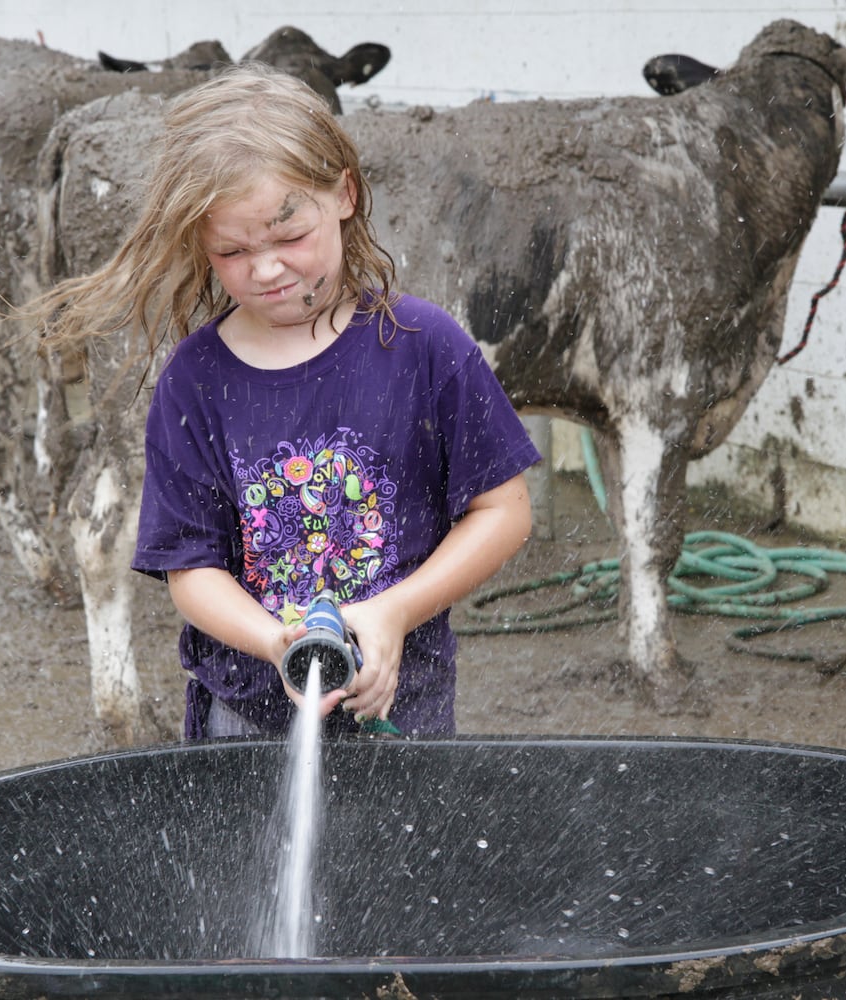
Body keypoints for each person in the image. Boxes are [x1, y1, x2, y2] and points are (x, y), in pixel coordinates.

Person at [38, 63, 540, 740]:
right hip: (242, 714)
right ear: (199, 245)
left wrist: (393, 612)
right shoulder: (194, 381)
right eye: (233, 250)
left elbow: (503, 511)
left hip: (400, 709)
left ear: (343, 194)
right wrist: (273, 641)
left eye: (287, 235)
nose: (267, 268)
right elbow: (191, 569)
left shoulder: (425, 346)